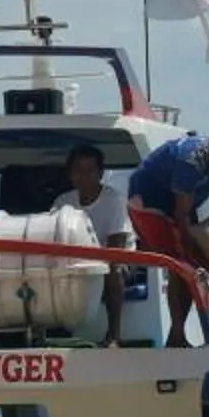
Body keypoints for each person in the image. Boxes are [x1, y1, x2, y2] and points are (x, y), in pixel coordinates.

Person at [127, 120, 209, 348]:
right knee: (183, 262)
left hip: (182, 206)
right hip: (149, 202)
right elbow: (182, 219)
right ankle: (176, 337)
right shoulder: (191, 160)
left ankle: (177, 335)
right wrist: (207, 263)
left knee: (193, 264)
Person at [62, 142, 135, 346]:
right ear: (70, 174)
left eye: (90, 171)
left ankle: (114, 335)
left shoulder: (114, 200)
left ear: (100, 173)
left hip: (118, 259)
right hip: (76, 263)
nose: (84, 176)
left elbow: (116, 247)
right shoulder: (62, 202)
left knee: (113, 268)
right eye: (78, 170)